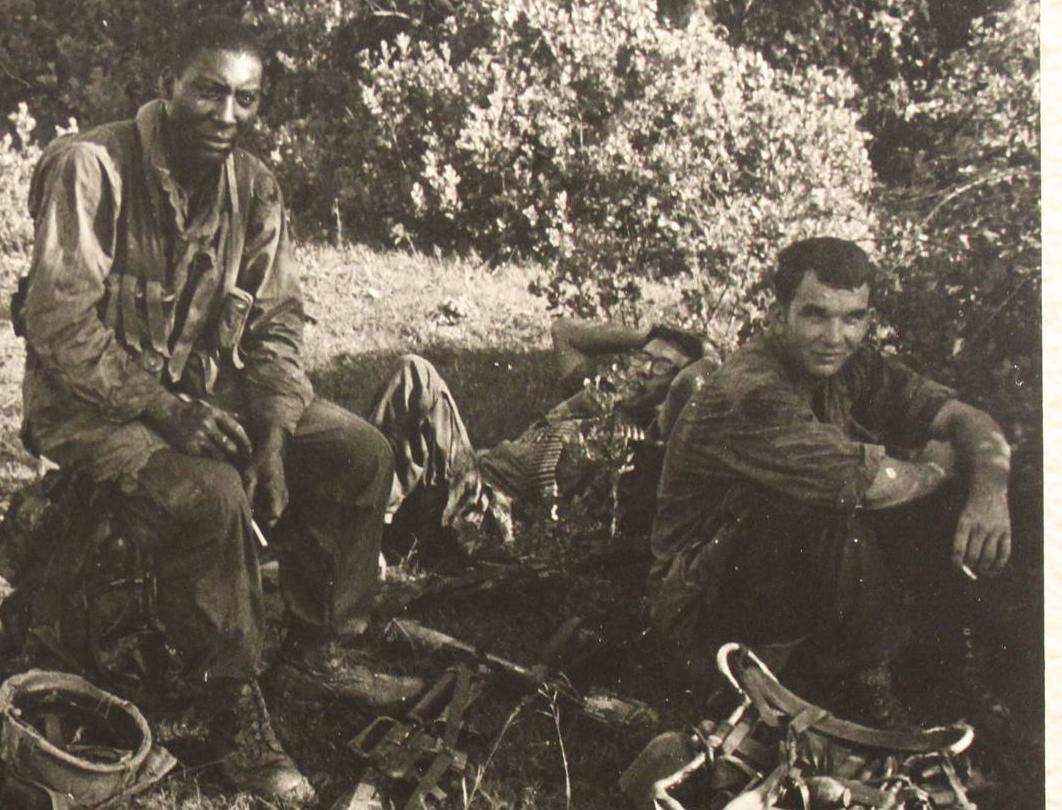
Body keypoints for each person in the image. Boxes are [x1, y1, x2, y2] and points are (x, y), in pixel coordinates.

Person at [14, 16, 415, 810]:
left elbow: (276, 324)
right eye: (208, 90)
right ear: (167, 86)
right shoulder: (88, 168)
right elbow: (58, 325)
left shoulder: (254, 187)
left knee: (357, 452)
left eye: (246, 98)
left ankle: (320, 643)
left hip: (201, 393)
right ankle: (232, 709)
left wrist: (271, 434)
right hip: (92, 408)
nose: (226, 115)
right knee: (210, 495)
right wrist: (164, 409)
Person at [647, 237, 1013, 718]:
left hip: (769, 573)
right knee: (833, 501)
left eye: (852, 318)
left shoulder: (849, 363)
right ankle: (862, 685)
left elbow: (968, 421)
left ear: (867, 319)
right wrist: (938, 466)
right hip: (695, 607)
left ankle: (951, 675)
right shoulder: (752, 390)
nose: (835, 335)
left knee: (955, 488)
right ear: (778, 316)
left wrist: (990, 491)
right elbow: (869, 484)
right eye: (816, 314)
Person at [368, 320, 715, 556]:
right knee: (407, 379)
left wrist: (707, 355)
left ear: (678, 382)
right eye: (642, 359)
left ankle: (363, 532)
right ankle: (366, 521)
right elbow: (565, 331)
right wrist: (652, 336)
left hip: (485, 514)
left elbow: (694, 385)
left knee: (416, 374)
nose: (642, 370)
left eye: (662, 366)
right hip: (462, 481)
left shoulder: (650, 441)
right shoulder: (599, 399)